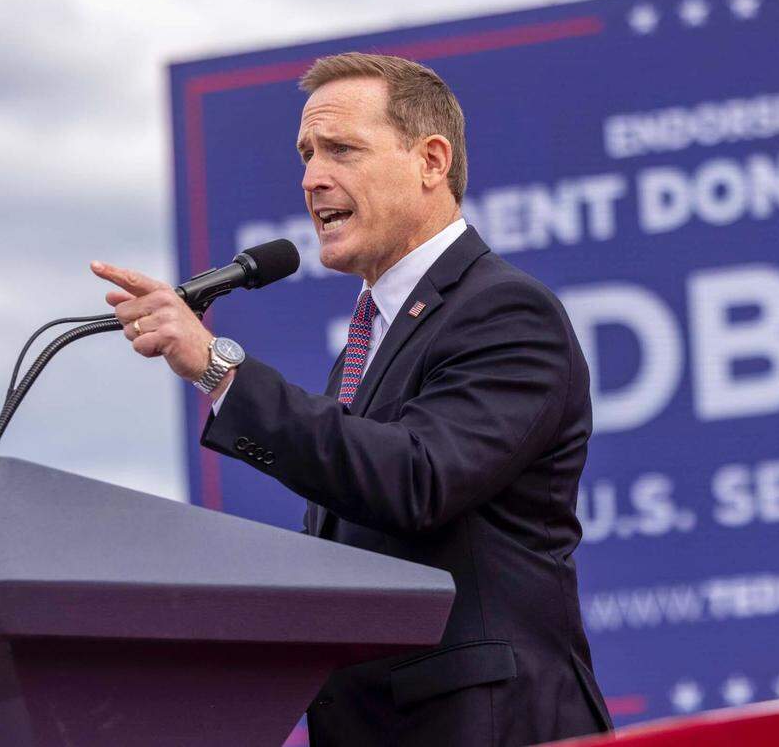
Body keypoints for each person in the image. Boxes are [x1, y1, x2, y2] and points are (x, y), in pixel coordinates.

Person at [91, 52, 612, 746]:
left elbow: (417, 478)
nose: (312, 177)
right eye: (306, 154)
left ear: (430, 161)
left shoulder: (507, 311)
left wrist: (218, 368)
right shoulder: (369, 341)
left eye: (341, 149)